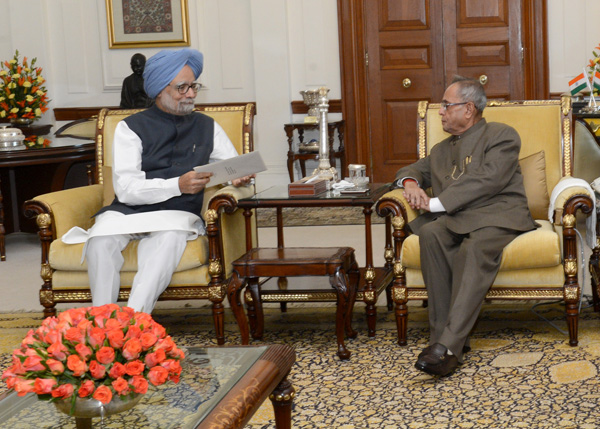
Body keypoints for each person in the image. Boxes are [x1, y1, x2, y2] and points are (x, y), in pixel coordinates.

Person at [76, 48, 253, 313]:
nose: (191, 94)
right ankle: (102, 320)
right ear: (160, 90)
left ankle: (134, 322)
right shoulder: (130, 127)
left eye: (193, 86)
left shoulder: (207, 126)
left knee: (169, 239)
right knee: (100, 241)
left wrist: (237, 175)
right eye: (182, 87)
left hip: (177, 213)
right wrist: (177, 185)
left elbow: (231, 164)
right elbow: (125, 190)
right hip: (127, 210)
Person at [394, 76, 536, 377]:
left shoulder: (501, 135)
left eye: (446, 105)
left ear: (468, 108)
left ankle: (446, 347)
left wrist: (434, 204)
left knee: (473, 248)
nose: (441, 112)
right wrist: (410, 184)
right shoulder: (441, 149)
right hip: (457, 217)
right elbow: (412, 170)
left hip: (498, 214)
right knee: (430, 233)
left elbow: (489, 179)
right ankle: (441, 340)